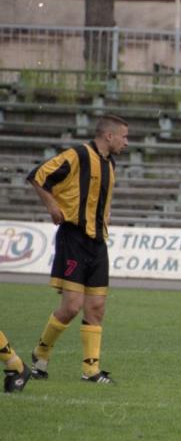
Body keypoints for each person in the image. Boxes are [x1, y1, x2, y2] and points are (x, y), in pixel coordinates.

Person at [26, 114, 129, 384]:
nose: (126, 142)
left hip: (97, 242)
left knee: (96, 307)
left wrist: (105, 216)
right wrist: (51, 205)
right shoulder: (78, 155)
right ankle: (41, 353)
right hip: (73, 238)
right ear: (109, 135)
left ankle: (90, 370)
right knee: (71, 306)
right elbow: (38, 175)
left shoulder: (110, 163)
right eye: (124, 137)